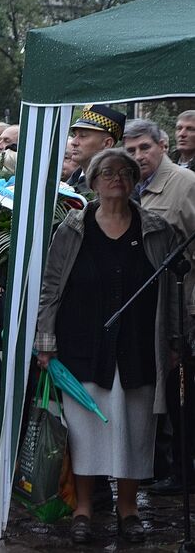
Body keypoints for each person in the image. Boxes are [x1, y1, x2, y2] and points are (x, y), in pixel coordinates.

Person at [35, 148, 176, 544]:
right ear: (93, 181)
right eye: (107, 172)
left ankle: (127, 508)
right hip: (82, 343)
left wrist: (175, 342)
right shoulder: (73, 228)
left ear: (134, 182)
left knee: (133, 427)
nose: (116, 178)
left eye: (125, 173)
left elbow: (173, 292)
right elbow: (51, 287)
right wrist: (45, 341)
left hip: (138, 344)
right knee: (83, 432)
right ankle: (83, 507)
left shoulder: (156, 228)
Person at [123, 118, 195, 496]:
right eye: (131, 150)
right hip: (149, 310)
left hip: (185, 307)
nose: (138, 156)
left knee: (184, 394)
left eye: (145, 148)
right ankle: (169, 465)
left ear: (162, 146)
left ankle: (185, 472)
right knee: (166, 392)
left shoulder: (184, 185)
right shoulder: (130, 186)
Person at [66, 104, 126, 193]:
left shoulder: (118, 186)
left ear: (107, 144)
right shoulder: (73, 180)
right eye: (75, 135)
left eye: (83, 136)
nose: (74, 142)